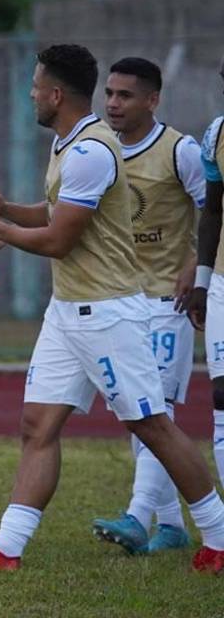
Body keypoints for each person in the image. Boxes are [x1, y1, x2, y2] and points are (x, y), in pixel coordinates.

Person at [0, 43, 224, 573]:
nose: (30, 97)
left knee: (152, 426)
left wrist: (1, 230)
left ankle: (220, 536)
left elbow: (60, 240)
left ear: (54, 94)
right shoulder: (69, 143)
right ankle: (6, 549)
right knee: (37, 425)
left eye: (33, 88)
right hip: (68, 311)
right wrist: (6, 212)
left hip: (107, 314)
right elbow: (56, 211)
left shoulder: (92, 151)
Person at [90, 57, 204, 554]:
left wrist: (196, 264)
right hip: (120, 302)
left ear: (152, 100)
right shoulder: (99, 149)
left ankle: (137, 517)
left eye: (125, 95)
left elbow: (216, 211)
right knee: (141, 419)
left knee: (155, 410)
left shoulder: (182, 152)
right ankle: (173, 526)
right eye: (109, 94)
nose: (113, 103)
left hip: (167, 303)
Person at [185, 57, 224, 517]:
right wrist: (201, 280)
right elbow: (212, 211)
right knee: (220, 395)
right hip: (221, 285)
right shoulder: (216, 134)